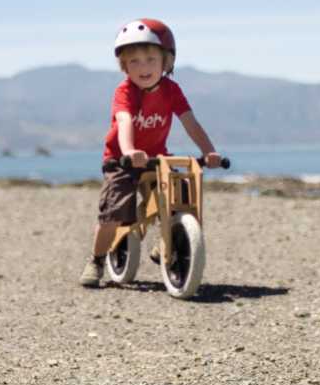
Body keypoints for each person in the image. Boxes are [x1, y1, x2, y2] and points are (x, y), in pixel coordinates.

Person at [80, 19, 222, 287]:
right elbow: (124, 121)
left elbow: (190, 122)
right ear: (124, 66)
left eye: (150, 59)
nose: (142, 67)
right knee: (114, 212)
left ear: (166, 62)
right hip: (121, 160)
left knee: (180, 193)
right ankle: (97, 260)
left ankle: (169, 237)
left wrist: (209, 151)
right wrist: (129, 150)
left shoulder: (172, 90)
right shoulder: (124, 91)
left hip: (156, 158)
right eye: (133, 61)